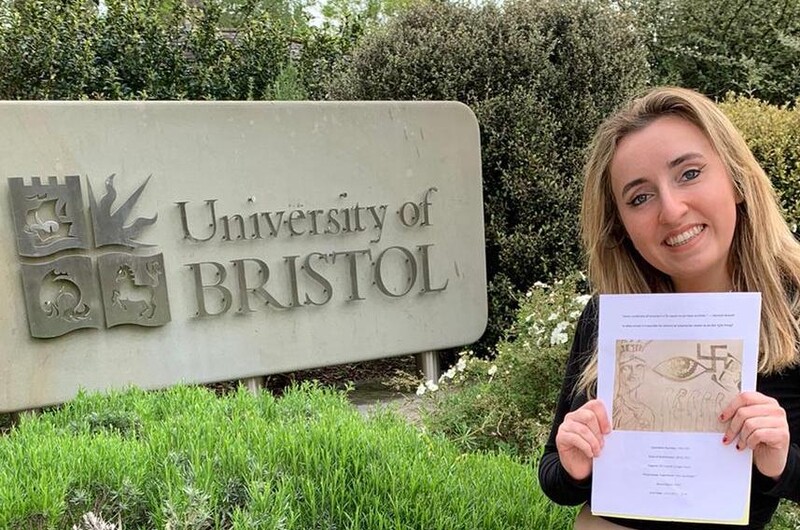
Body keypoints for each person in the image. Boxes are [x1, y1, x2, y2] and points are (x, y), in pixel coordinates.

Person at [538, 86, 800, 530]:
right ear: (621, 228)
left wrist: (779, 460)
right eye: (640, 198)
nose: (672, 210)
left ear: (736, 180)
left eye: (689, 173)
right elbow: (555, 477)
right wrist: (573, 465)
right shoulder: (611, 317)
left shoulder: (792, 307)